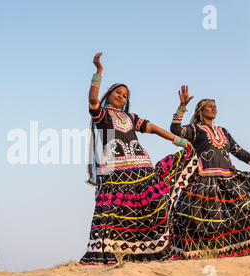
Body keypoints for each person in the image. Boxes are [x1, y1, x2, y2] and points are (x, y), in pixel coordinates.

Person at [80, 53, 194, 264]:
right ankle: (116, 255)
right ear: (109, 94)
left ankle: (151, 251)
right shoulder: (102, 115)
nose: (121, 97)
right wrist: (99, 72)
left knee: (152, 205)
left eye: (125, 95)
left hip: (142, 168)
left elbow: (156, 129)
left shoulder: (131, 118)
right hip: (116, 171)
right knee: (116, 213)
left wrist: (179, 141)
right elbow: (92, 100)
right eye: (118, 93)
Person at [169, 85, 250, 259]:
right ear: (200, 111)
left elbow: (239, 152)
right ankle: (198, 254)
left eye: (215, 106)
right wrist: (181, 107)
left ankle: (243, 251)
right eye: (209, 106)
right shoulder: (195, 130)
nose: (213, 108)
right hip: (203, 181)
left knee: (246, 210)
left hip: (228, 181)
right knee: (193, 218)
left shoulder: (223, 132)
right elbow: (176, 130)